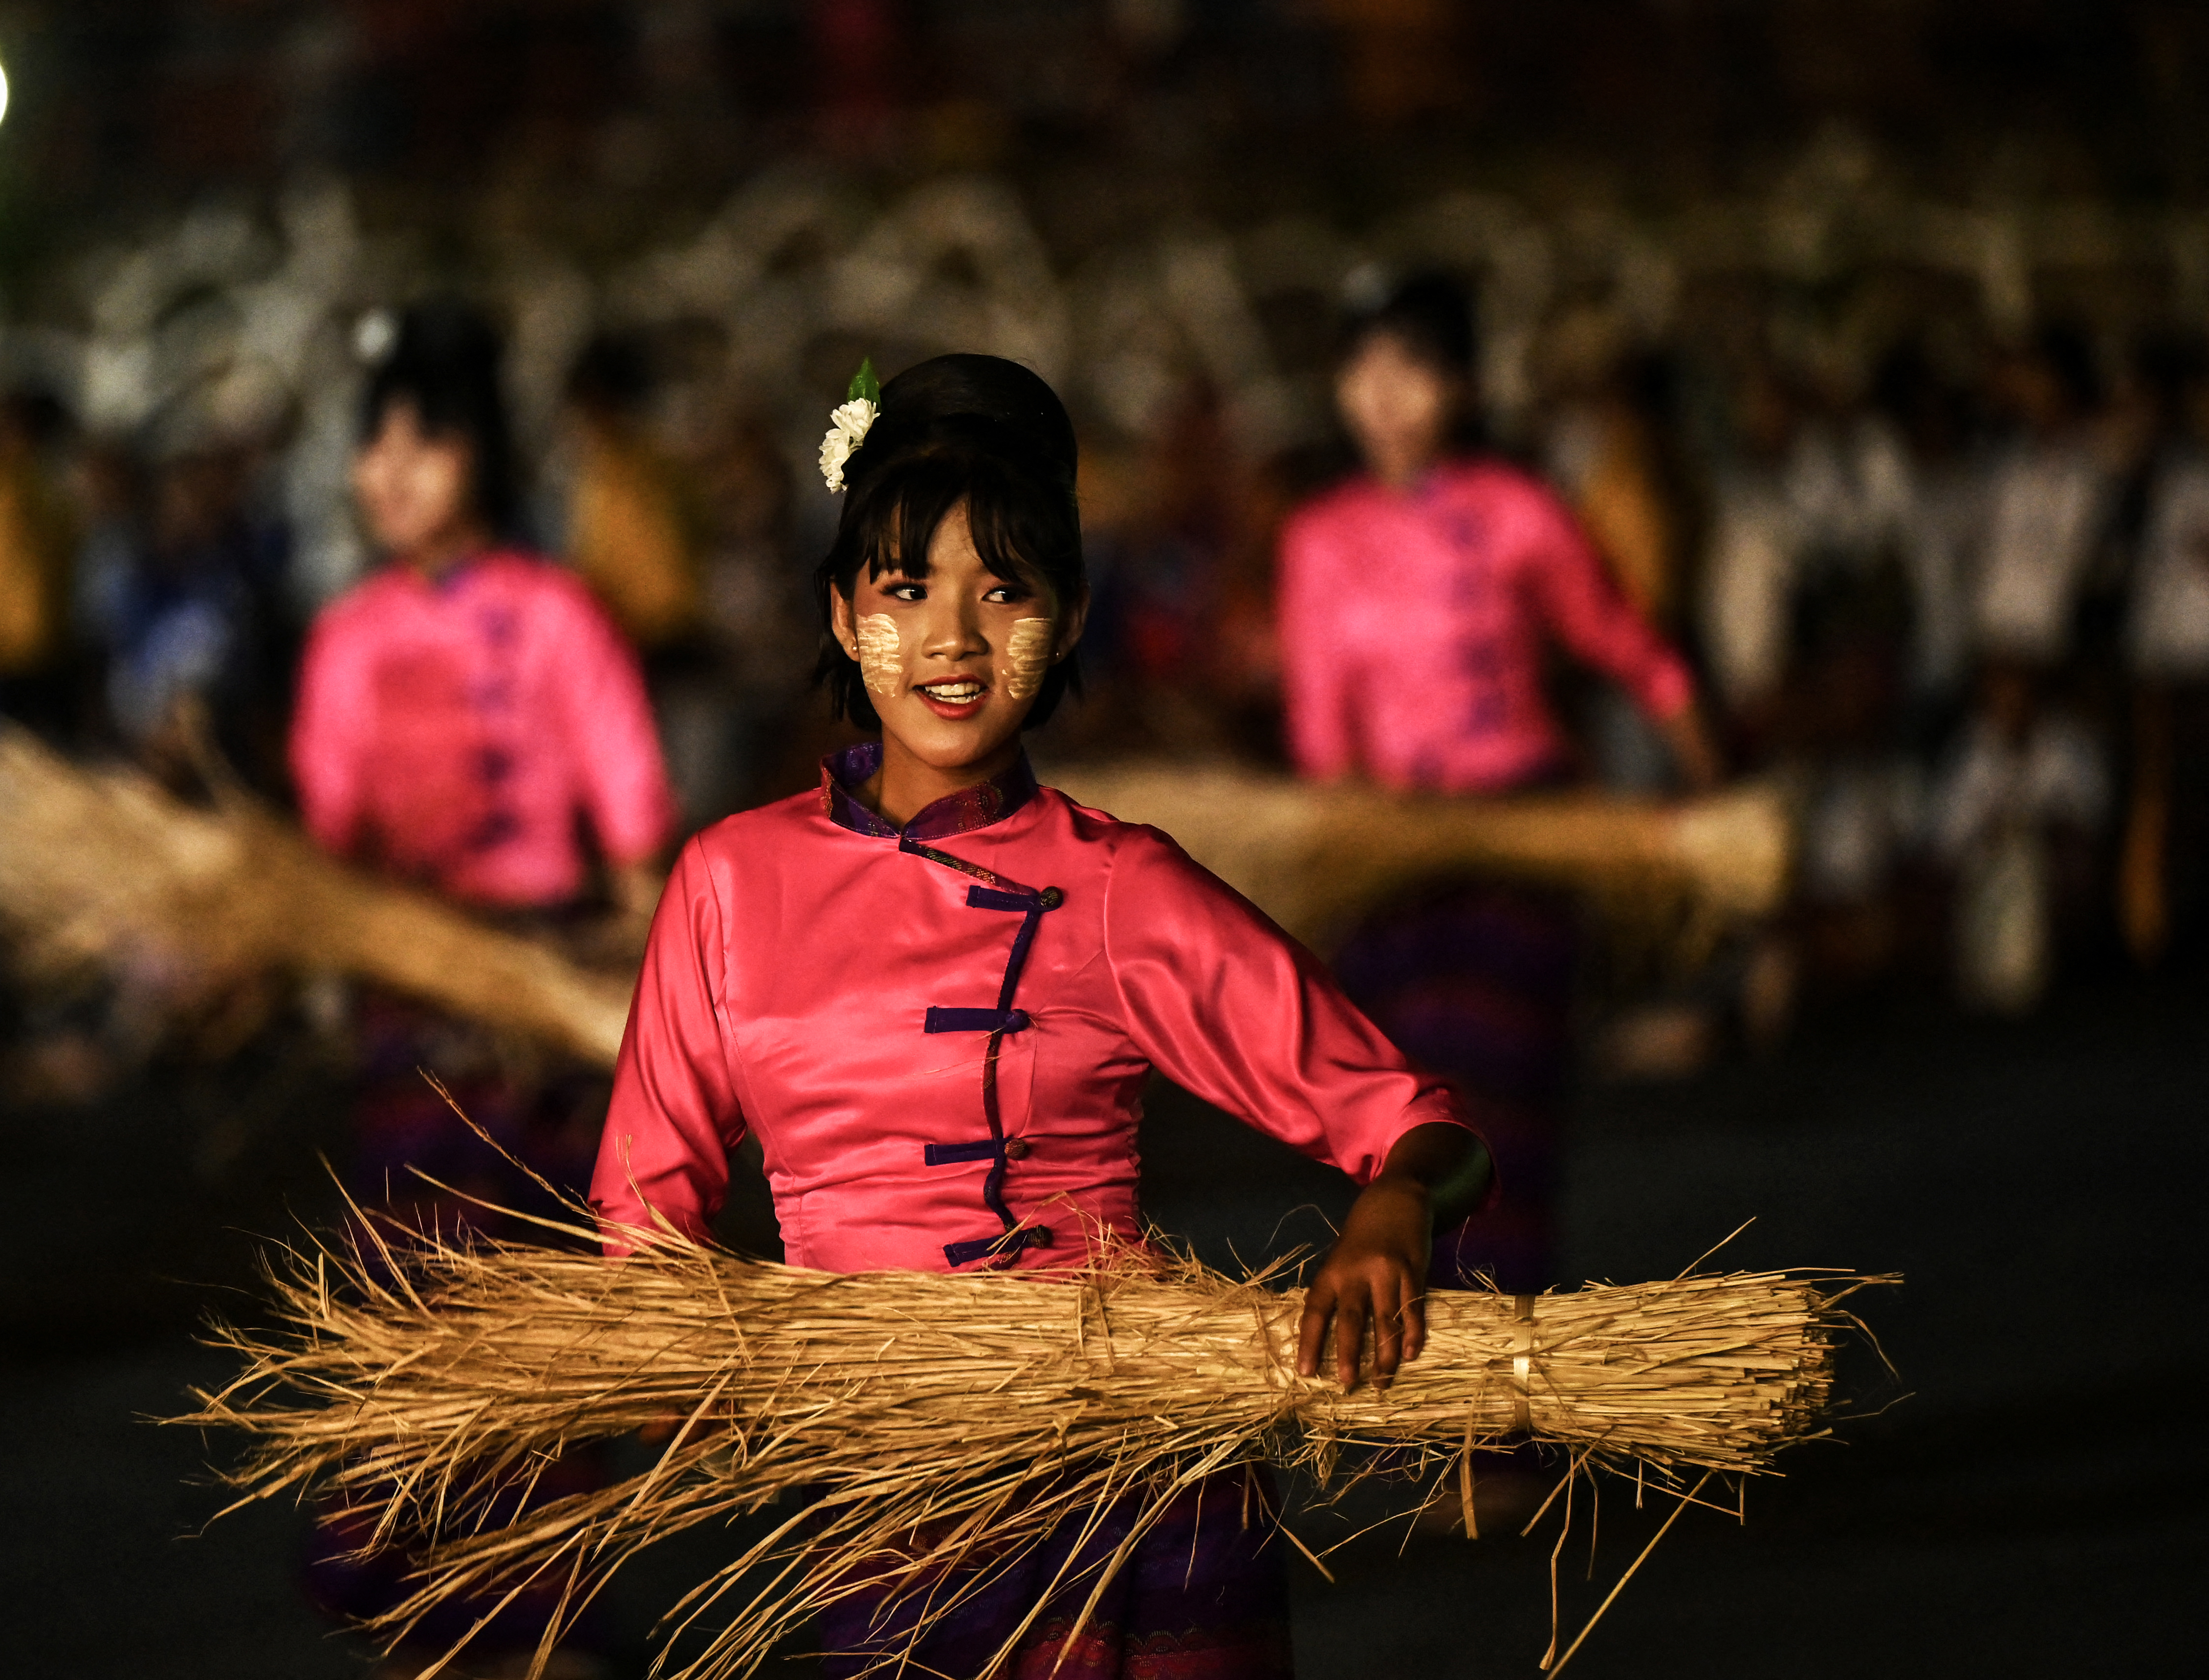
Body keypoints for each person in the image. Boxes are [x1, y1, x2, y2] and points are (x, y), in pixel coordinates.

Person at [591, 354, 1492, 1679]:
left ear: (1065, 621)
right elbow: (638, 1223)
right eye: (905, 589)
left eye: (1001, 589)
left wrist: (1393, 1209)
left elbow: (1421, 1120)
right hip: (894, 1503)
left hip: (1148, 1487)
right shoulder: (727, 883)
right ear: (843, 616)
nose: (953, 641)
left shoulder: (1121, 885)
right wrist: (689, 1366)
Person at [289, 297, 675, 1676]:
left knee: (541, 1311)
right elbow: (326, 842)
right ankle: (441, 1586)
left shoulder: (559, 614)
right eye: (371, 442)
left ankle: (535, 1606)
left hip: (548, 998)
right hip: (414, 1004)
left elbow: (630, 808)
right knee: (420, 1297)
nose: (388, 470)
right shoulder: (344, 638)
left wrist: (641, 974)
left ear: (486, 459)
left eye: (424, 441)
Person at [1277, 273, 1717, 1299]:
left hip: (1522, 852)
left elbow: (1627, 646)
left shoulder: (1519, 512)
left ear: (1464, 387)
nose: (1382, 394)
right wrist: (1327, 874)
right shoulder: (1319, 539)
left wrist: (1711, 785)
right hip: (1388, 871)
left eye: (1412, 368)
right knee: (1404, 1131)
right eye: (1362, 368)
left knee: (1501, 1123)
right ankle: (1426, 1381)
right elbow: (1317, 728)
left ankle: (1506, 1382)